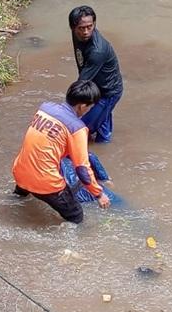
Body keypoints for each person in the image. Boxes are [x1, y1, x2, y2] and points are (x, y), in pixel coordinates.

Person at [12, 79, 111, 223]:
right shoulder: (77, 128)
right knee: (76, 216)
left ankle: (16, 198)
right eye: (90, 107)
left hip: (19, 172)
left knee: (22, 192)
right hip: (45, 183)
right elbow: (82, 169)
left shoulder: (44, 108)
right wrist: (99, 194)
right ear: (82, 106)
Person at [69, 5, 123, 143]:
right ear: (73, 27)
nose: (86, 31)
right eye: (82, 28)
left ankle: (99, 152)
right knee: (101, 127)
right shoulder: (78, 35)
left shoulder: (97, 51)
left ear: (94, 24)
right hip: (96, 86)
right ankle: (104, 148)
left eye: (90, 26)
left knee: (80, 130)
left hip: (107, 92)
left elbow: (80, 85)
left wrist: (66, 112)